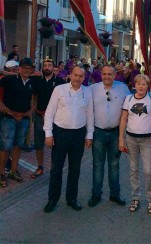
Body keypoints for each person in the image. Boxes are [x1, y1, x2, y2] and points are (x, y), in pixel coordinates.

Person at [43, 66, 94, 213]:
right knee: (56, 169)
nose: (77, 78)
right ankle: (52, 199)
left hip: (78, 134)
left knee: (75, 169)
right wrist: (48, 133)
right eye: (75, 75)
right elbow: (50, 112)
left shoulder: (87, 92)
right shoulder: (59, 89)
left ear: (84, 78)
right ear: (70, 75)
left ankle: (71, 198)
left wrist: (89, 135)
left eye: (81, 76)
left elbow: (90, 115)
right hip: (60, 133)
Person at [88, 65, 130, 208]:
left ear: (114, 75)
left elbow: (129, 108)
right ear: (101, 74)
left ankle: (114, 194)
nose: (107, 77)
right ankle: (96, 194)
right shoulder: (92, 89)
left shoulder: (123, 88)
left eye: (110, 74)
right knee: (98, 165)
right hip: (98, 132)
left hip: (115, 133)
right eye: (104, 74)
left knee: (114, 165)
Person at [119, 74, 151, 213]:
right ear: (134, 85)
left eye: (144, 84)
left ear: (148, 86)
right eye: (138, 84)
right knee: (133, 170)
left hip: (147, 139)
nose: (141, 86)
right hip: (131, 139)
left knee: (148, 171)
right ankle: (135, 197)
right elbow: (124, 119)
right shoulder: (128, 99)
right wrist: (121, 138)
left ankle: (150, 199)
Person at [0, 58, 36, 187]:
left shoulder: (33, 81)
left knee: (18, 146)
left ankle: (13, 171)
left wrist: (31, 110)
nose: (27, 70)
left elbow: (35, 98)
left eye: (29, 68)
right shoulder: (9, 79)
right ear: (19, 68)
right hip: (8, 117)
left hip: (24, 118)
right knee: (5, 146)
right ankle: (1, 173)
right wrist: (1, 104)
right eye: (24, 68)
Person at [31, 58, 65, 179]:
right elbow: (34, 97)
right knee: (39, 143)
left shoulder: (60, 81)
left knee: (55, 144)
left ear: (53, 68)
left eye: (49, 65)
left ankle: (54, 168)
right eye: (45, 65)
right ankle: (40, 166)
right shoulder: (37, 80)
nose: (47, 67)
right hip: (39, 116)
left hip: (55, 119)